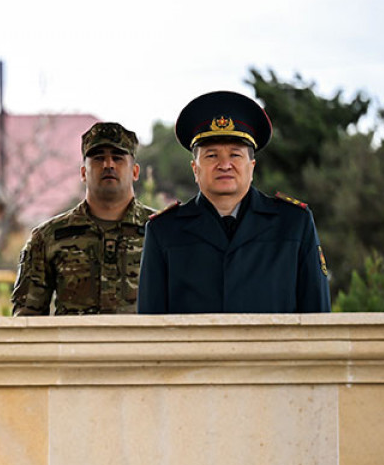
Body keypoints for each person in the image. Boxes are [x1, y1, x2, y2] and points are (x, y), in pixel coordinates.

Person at [137, 91, 331, 313]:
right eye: (211, 156)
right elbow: (151, 327)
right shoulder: (164, 231)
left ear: (252, 166)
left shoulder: (294, 223)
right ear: (195, 170)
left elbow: (318, 318)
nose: (224, 164)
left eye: (235, 155)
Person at [11, 122, 154, 315]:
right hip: (73, 345)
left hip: (142, 344)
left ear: (135, 172)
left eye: (118, 158)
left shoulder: (160, 230)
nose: (108, 164)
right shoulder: (49, 237)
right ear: (83, 173)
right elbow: (27, 320)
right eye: (98, 158)